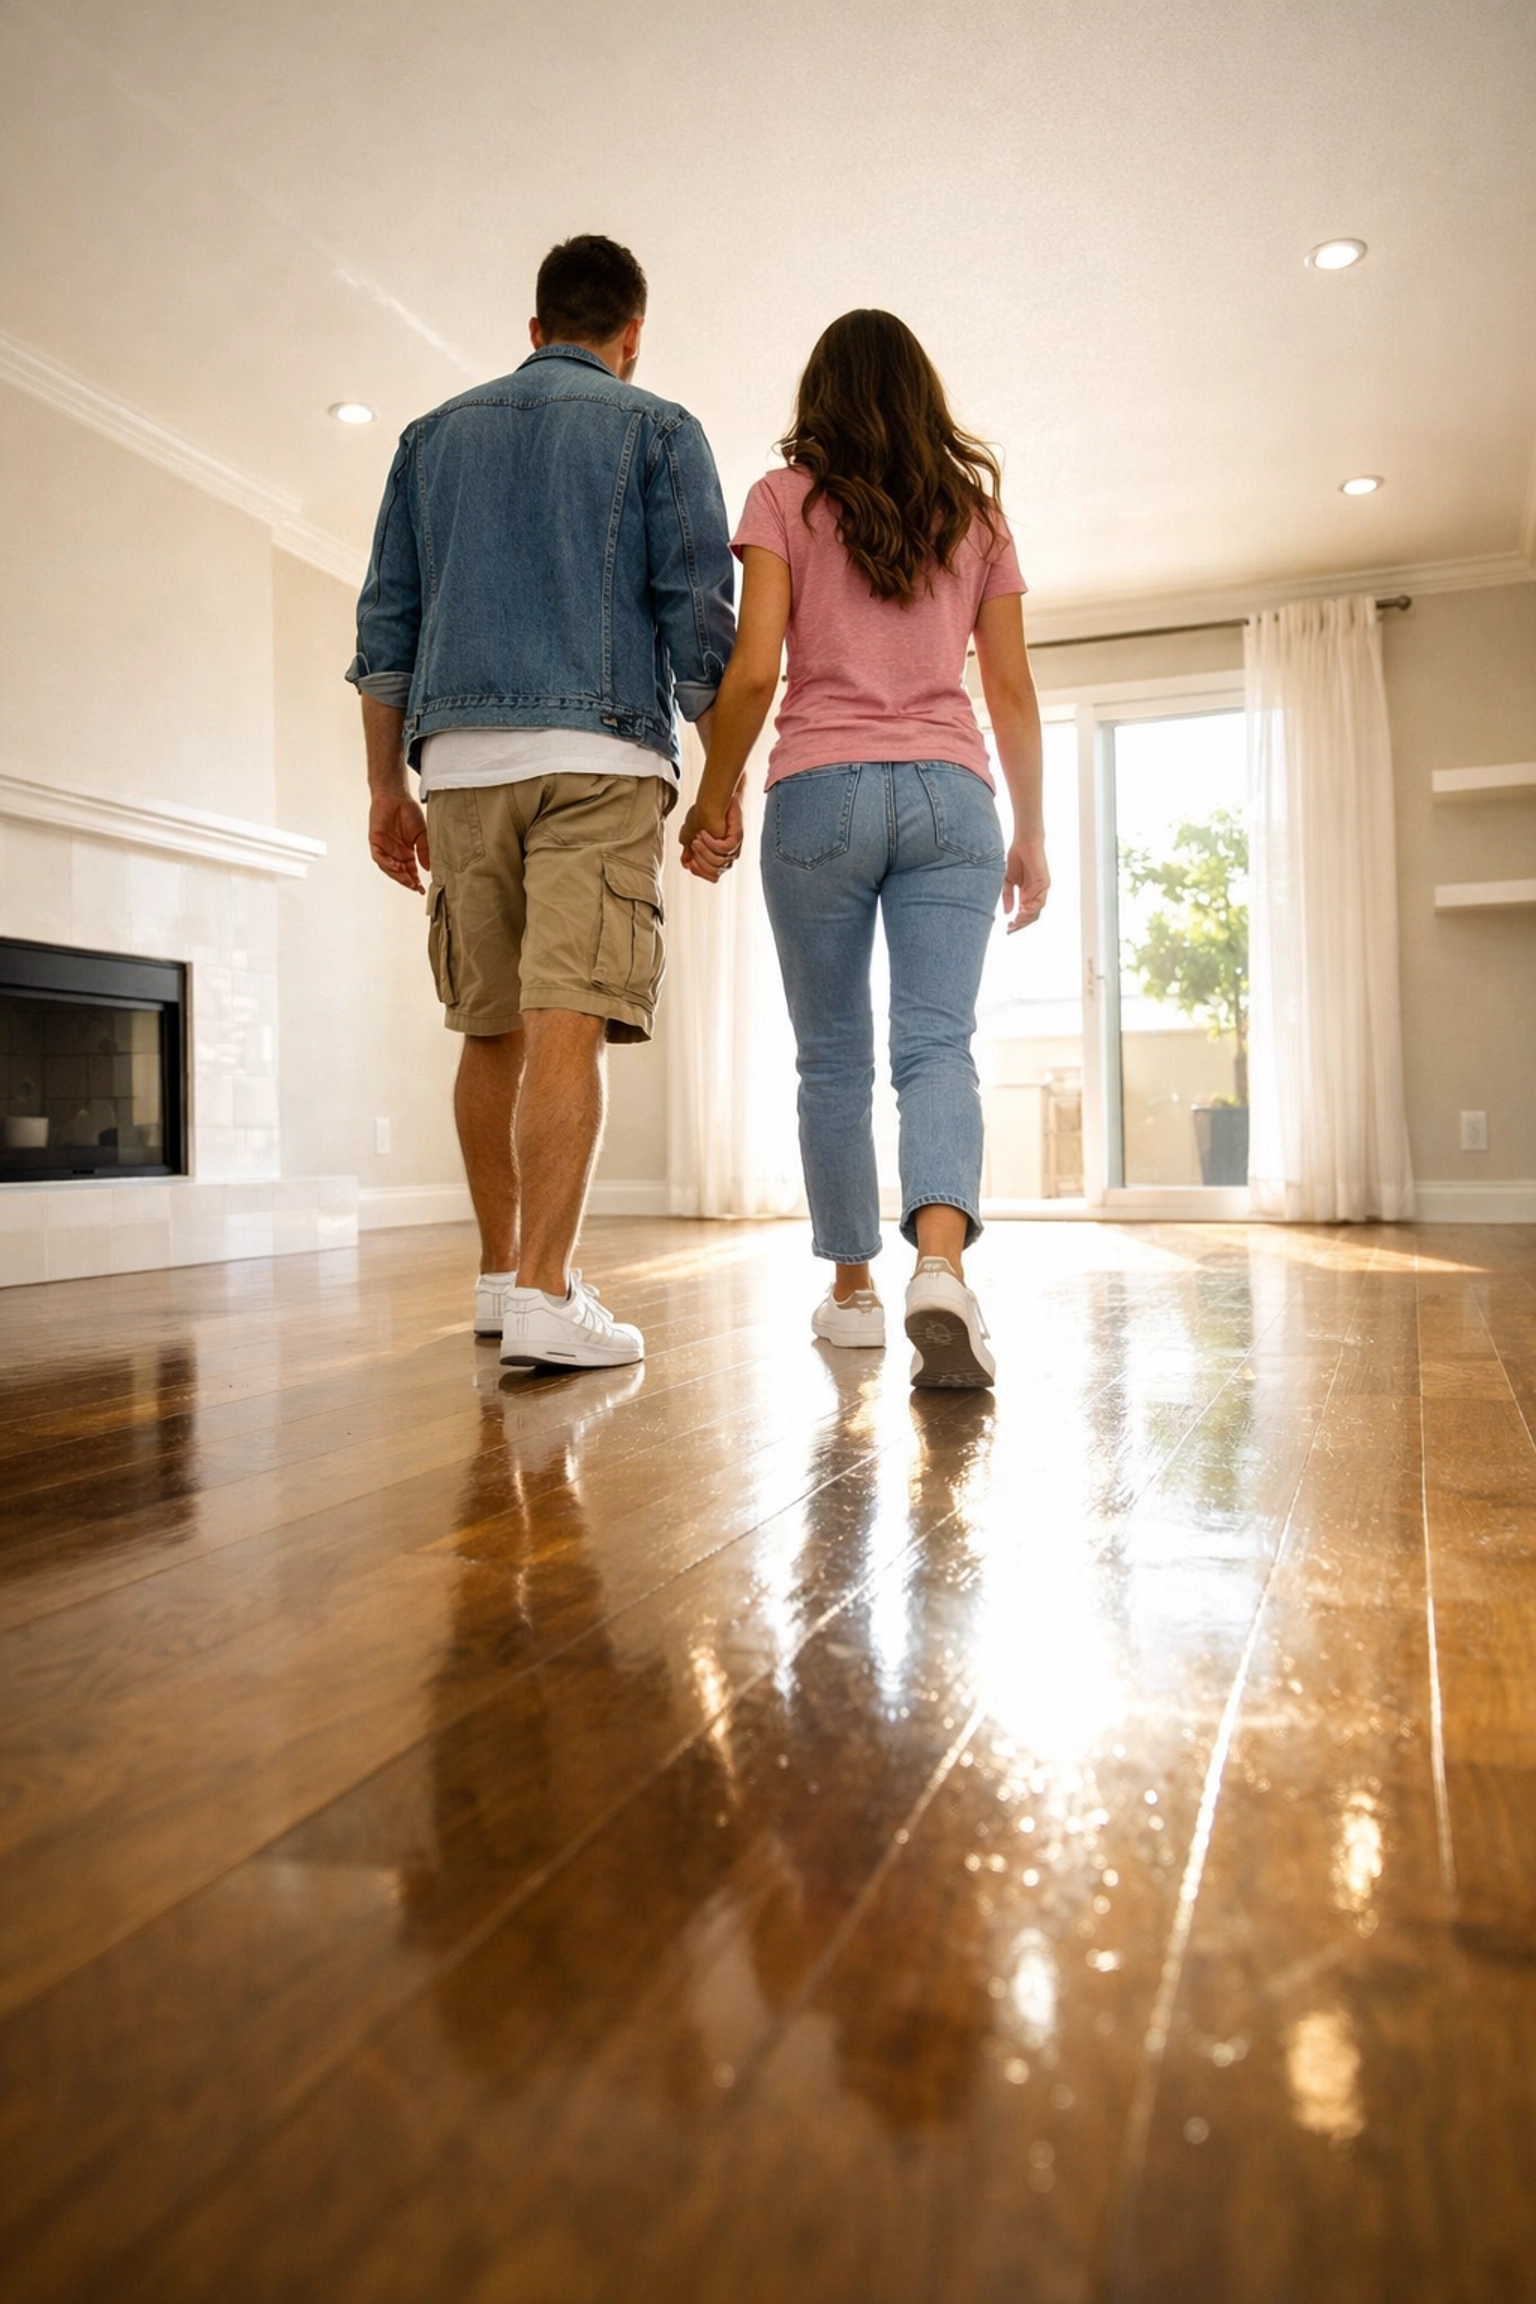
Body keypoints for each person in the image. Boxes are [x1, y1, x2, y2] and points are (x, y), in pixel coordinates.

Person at [349, 235, 737, 1371]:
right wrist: (722, 779)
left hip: (458, 762)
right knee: (571, 1013)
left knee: (490, 1024)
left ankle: (499, 1275)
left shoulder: (431, 439)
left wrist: (385, 783)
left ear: (533, 332)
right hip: (601, 753)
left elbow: (385, 633)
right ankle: (547, 1291)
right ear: (630, 338)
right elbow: (697, 623)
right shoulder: (657, 427)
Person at [680, 309, 1047, 1389]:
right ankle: (941, 1267)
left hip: (819, 794)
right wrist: (1031, 831)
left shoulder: (782, 499)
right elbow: (1013, 690)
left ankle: (852, 1295)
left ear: (821, 395)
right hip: (952, 793)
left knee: (832, 1056)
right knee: (937, 1047)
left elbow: (751, 676)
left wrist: (714, 796)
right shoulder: (976, 516)